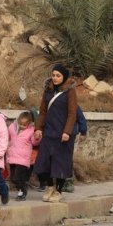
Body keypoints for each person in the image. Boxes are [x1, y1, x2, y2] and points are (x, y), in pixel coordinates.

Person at [33, 64, 79, 203]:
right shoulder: (48, 91)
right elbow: (43, 112)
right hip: (49, 132)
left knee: (60, 162)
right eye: (53, 75)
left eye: (58, 75)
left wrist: (66, 132)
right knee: (44, 161)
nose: (55, 78)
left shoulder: (70, 92)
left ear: (64, 77)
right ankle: (50, 187)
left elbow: (72, 114)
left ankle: (58, 191)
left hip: (63, 134)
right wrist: (38, 128)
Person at [7, 111, 39, 200]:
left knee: (18, 177)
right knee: (13, 178)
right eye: (21, 124)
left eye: (25, 124)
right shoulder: (12, 127)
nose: (22, 126)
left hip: (23, 159)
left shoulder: (31, 130)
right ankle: (23, 186)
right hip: (12, 157)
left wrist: (37, 138)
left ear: (29, 123)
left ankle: (22, 191)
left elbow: (34, 142)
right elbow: (7, 137)